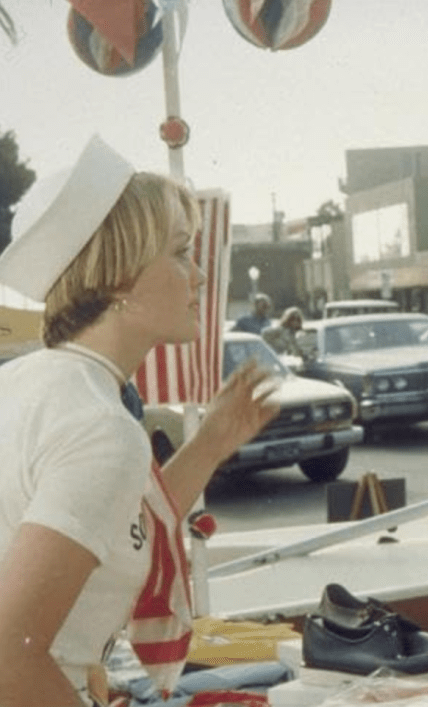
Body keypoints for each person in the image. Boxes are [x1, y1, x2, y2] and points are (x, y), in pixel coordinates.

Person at [0, 136, 278, 707]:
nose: (199, 277)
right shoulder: (101, 423)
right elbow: (8, 654)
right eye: (180, 252)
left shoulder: (36, 382)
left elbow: (113, 523)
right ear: (119, 277)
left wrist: (210, 443)